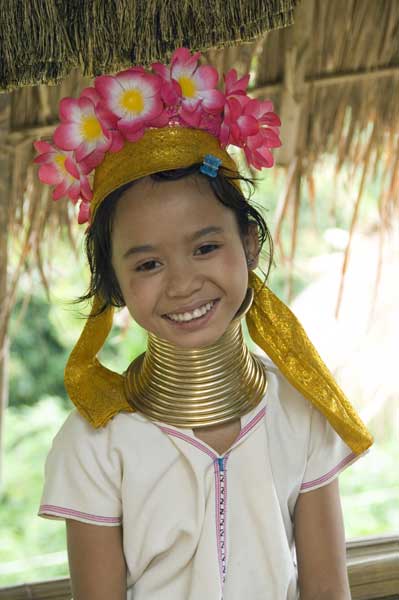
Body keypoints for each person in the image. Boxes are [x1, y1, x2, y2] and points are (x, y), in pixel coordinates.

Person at [35, 48, 373, 600]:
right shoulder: (95, 445)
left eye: (206, 246)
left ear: (249, 243)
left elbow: (327, 590)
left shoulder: (300, 409)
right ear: (113, 285)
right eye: (148, 264)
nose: (181, 283)